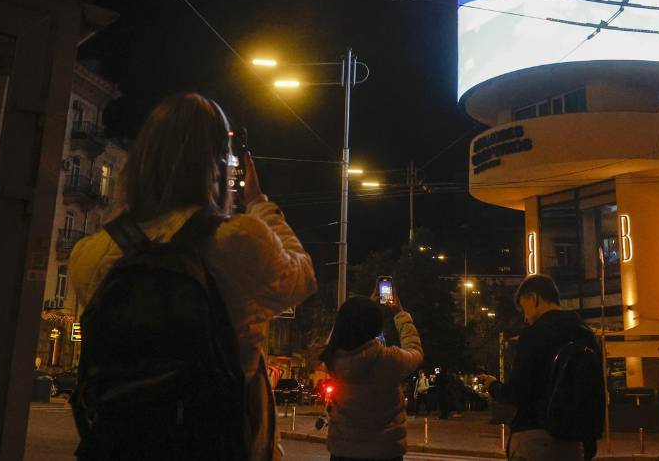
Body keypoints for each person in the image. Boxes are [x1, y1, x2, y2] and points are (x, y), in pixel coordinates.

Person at [70, 93, 316, 461]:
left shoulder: (88, 255)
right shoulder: (240, 240)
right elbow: (303, 276)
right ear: (217, 165)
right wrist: (259, 203)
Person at [498, 274, 601, 461]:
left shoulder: (534, 334)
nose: (526, 318)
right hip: (576, 441)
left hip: (536, 435)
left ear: (533, 298)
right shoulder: (587, 335)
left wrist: (493, 386)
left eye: (524, 309)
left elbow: (517, 392)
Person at [322, 289, 423, 461]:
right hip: (385, 450)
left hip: (344, 451)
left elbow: (335, 337)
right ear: (376, 326)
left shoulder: (333, 360)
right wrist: (400, 314)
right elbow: (415, 352)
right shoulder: (389, 359)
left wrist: (357, 311)